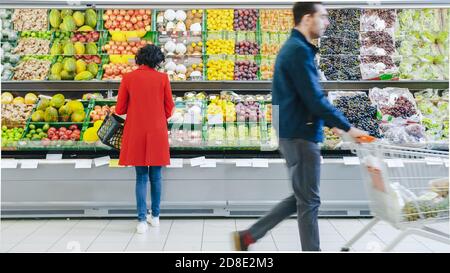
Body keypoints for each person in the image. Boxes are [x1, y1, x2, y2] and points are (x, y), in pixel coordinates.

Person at [233, 2, 368, 251]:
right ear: (307, 19)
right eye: (323, 17)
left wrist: (332, 124)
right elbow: (314, 98)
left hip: (293, 132)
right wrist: (348, 127)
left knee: (302, 197)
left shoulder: (296, 48)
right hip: (301, 135)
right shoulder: (297, 51)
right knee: (309, 202)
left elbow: (303, 96)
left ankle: (249, 236)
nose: (327, 22)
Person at [115, 44, 174, 234]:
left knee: (141, 177)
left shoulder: (128, 78)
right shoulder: (163, 78)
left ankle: (141, 220)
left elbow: (120, 109)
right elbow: (169, 108)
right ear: (156, 60)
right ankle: (155, 217)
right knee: (156, 176)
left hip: (135, 131)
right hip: (157, 131)